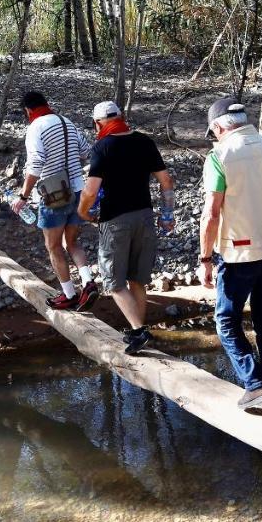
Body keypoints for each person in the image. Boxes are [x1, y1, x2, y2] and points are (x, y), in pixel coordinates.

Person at [198, 98, 262, 413]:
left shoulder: (219, 156)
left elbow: (211, 214)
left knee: (226, 319)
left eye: (212, 132)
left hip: (239, 253)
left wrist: (204, 259)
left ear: (218, 127)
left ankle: (255, 385)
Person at [78, 101, 175, 355]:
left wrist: (82, 212)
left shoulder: (103, 147)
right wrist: (166, 215)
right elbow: (166, 181)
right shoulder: (144, 141)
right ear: (121, 117)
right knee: (137, 279)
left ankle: (140, 332)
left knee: (114, 282)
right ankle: (136, 332)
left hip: (115, 220)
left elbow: (90, 190)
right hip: (144, 217)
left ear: (99, 123)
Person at [11, 91, 99, 310]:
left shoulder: (35, 128)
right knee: (72, 243)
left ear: (28, 110)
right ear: (46, 103)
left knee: (53, 246)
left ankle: (69, 294)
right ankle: (88, 283)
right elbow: (87, 152)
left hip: (53, 195)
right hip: (78, 191)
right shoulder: (66, 122)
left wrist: (23, 196)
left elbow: (36, 164)